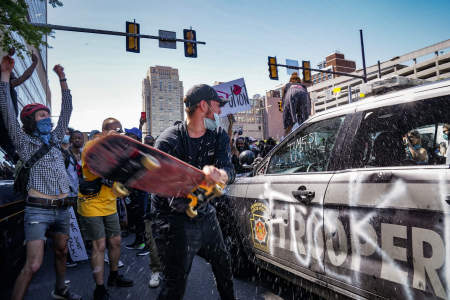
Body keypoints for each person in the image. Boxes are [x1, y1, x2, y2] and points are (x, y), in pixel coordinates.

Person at [1, 56, 81, 300]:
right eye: (41, 115)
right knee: (33, 265)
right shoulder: (23, 142)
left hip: (63, 209)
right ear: (29, 121)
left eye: (48, 114)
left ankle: (61, 290)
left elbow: (67, 109)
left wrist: (62, 79)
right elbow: (5, 108)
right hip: (37, 211)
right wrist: (5, 75)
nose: (47, 117)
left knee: (61, 252)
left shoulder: (57, 138)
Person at [152, 84, 236, 300]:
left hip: (206, 214)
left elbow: (229, 171)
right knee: (175, 282)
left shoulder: (218, 136)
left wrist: (219, 174)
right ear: (203, 105)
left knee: (223, 265)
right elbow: (161, 188)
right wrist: (194, 182)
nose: (219, 112)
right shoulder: (169, 140)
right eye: (217, 106)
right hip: (174, 220)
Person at [78, 118, 133, 300]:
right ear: (105, 132)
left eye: (120, 132)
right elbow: (101, 168)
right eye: (115, 131)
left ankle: (114, 276)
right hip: (91, 203)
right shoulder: (91, 147)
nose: (119, 135)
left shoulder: (118, 150)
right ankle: (99, 288)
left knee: (116, 241)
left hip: (110, 203)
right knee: (99, 245)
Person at [0, 50, 39, 161]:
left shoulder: (7, 87)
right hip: (4, 124)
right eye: (11, 74)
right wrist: (34, 64)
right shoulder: (5, 86)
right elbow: (24, 77)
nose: (13, 74)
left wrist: (8, 55)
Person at [63, 130, 85, 268]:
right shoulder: (65, 155)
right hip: (70, 196)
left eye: (80, 138)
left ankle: (80, 250)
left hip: (83, 195)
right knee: (70, 226)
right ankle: (69, 256)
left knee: (82, 223)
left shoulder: (84, 154)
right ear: (71, 140)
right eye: (75, 138)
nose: (77, 140)